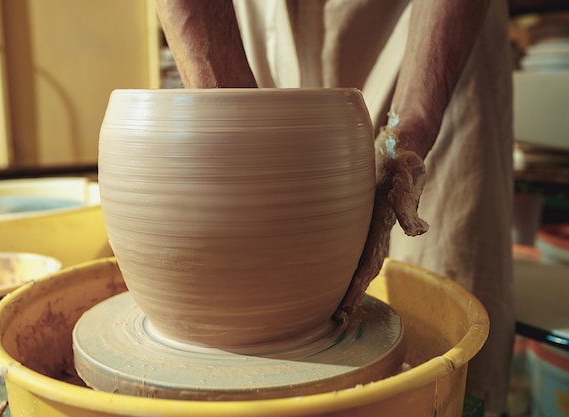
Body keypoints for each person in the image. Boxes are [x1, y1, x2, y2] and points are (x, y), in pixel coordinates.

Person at [155, 0, 515, 413]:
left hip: (428, 24)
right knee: (254, 239)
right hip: (257, 15)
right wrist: (227, 108)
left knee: (441, 304)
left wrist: (409, 132)